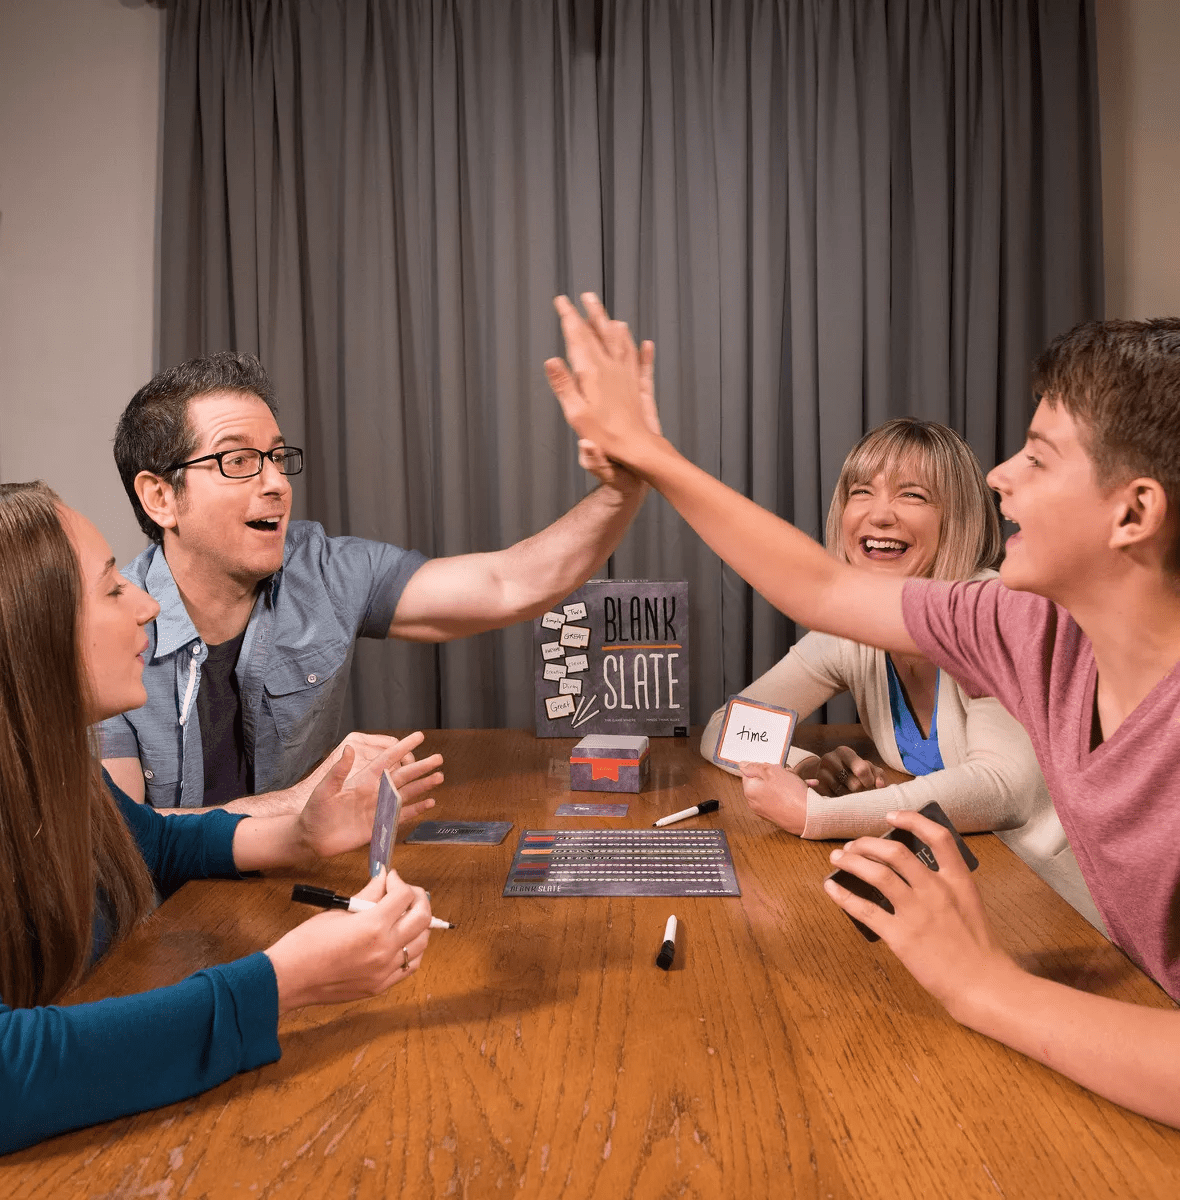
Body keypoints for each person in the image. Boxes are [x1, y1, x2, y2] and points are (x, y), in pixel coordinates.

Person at [547, 295, 1180, 1127]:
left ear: (1132, 513)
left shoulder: (1008, 621)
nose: (1000, 477)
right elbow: (818, 584)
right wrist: (650, 454)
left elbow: (1001, 784)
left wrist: (982, 983)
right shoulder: (1025, 627)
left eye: (1036, 457)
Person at [0, 482, 442, 1160]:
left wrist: (299, 833)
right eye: (112, 590)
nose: (146, 606)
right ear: (28, 633)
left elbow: (150, 843)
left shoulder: (42, 770)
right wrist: (282, 982)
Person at [100, 350, 650, 812]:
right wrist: (305, 799)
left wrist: (623, 486)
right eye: (239, 460)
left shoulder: (325, 571)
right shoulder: (101, 636)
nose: (275, 484)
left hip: (290, 894)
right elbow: (130, 844)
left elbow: (509, 584)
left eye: (275, 456)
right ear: (160, 497)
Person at [698, 419, 1102, 929]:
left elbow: (1003, 790)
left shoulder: (997, 610)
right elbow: (726, 725)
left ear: (957, 517)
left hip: (1067, 905)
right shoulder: (851, 631)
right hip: (972, 882)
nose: (879, 514)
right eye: (861, 492)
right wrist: (798, 768)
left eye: (913, 495)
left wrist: (818, 816)